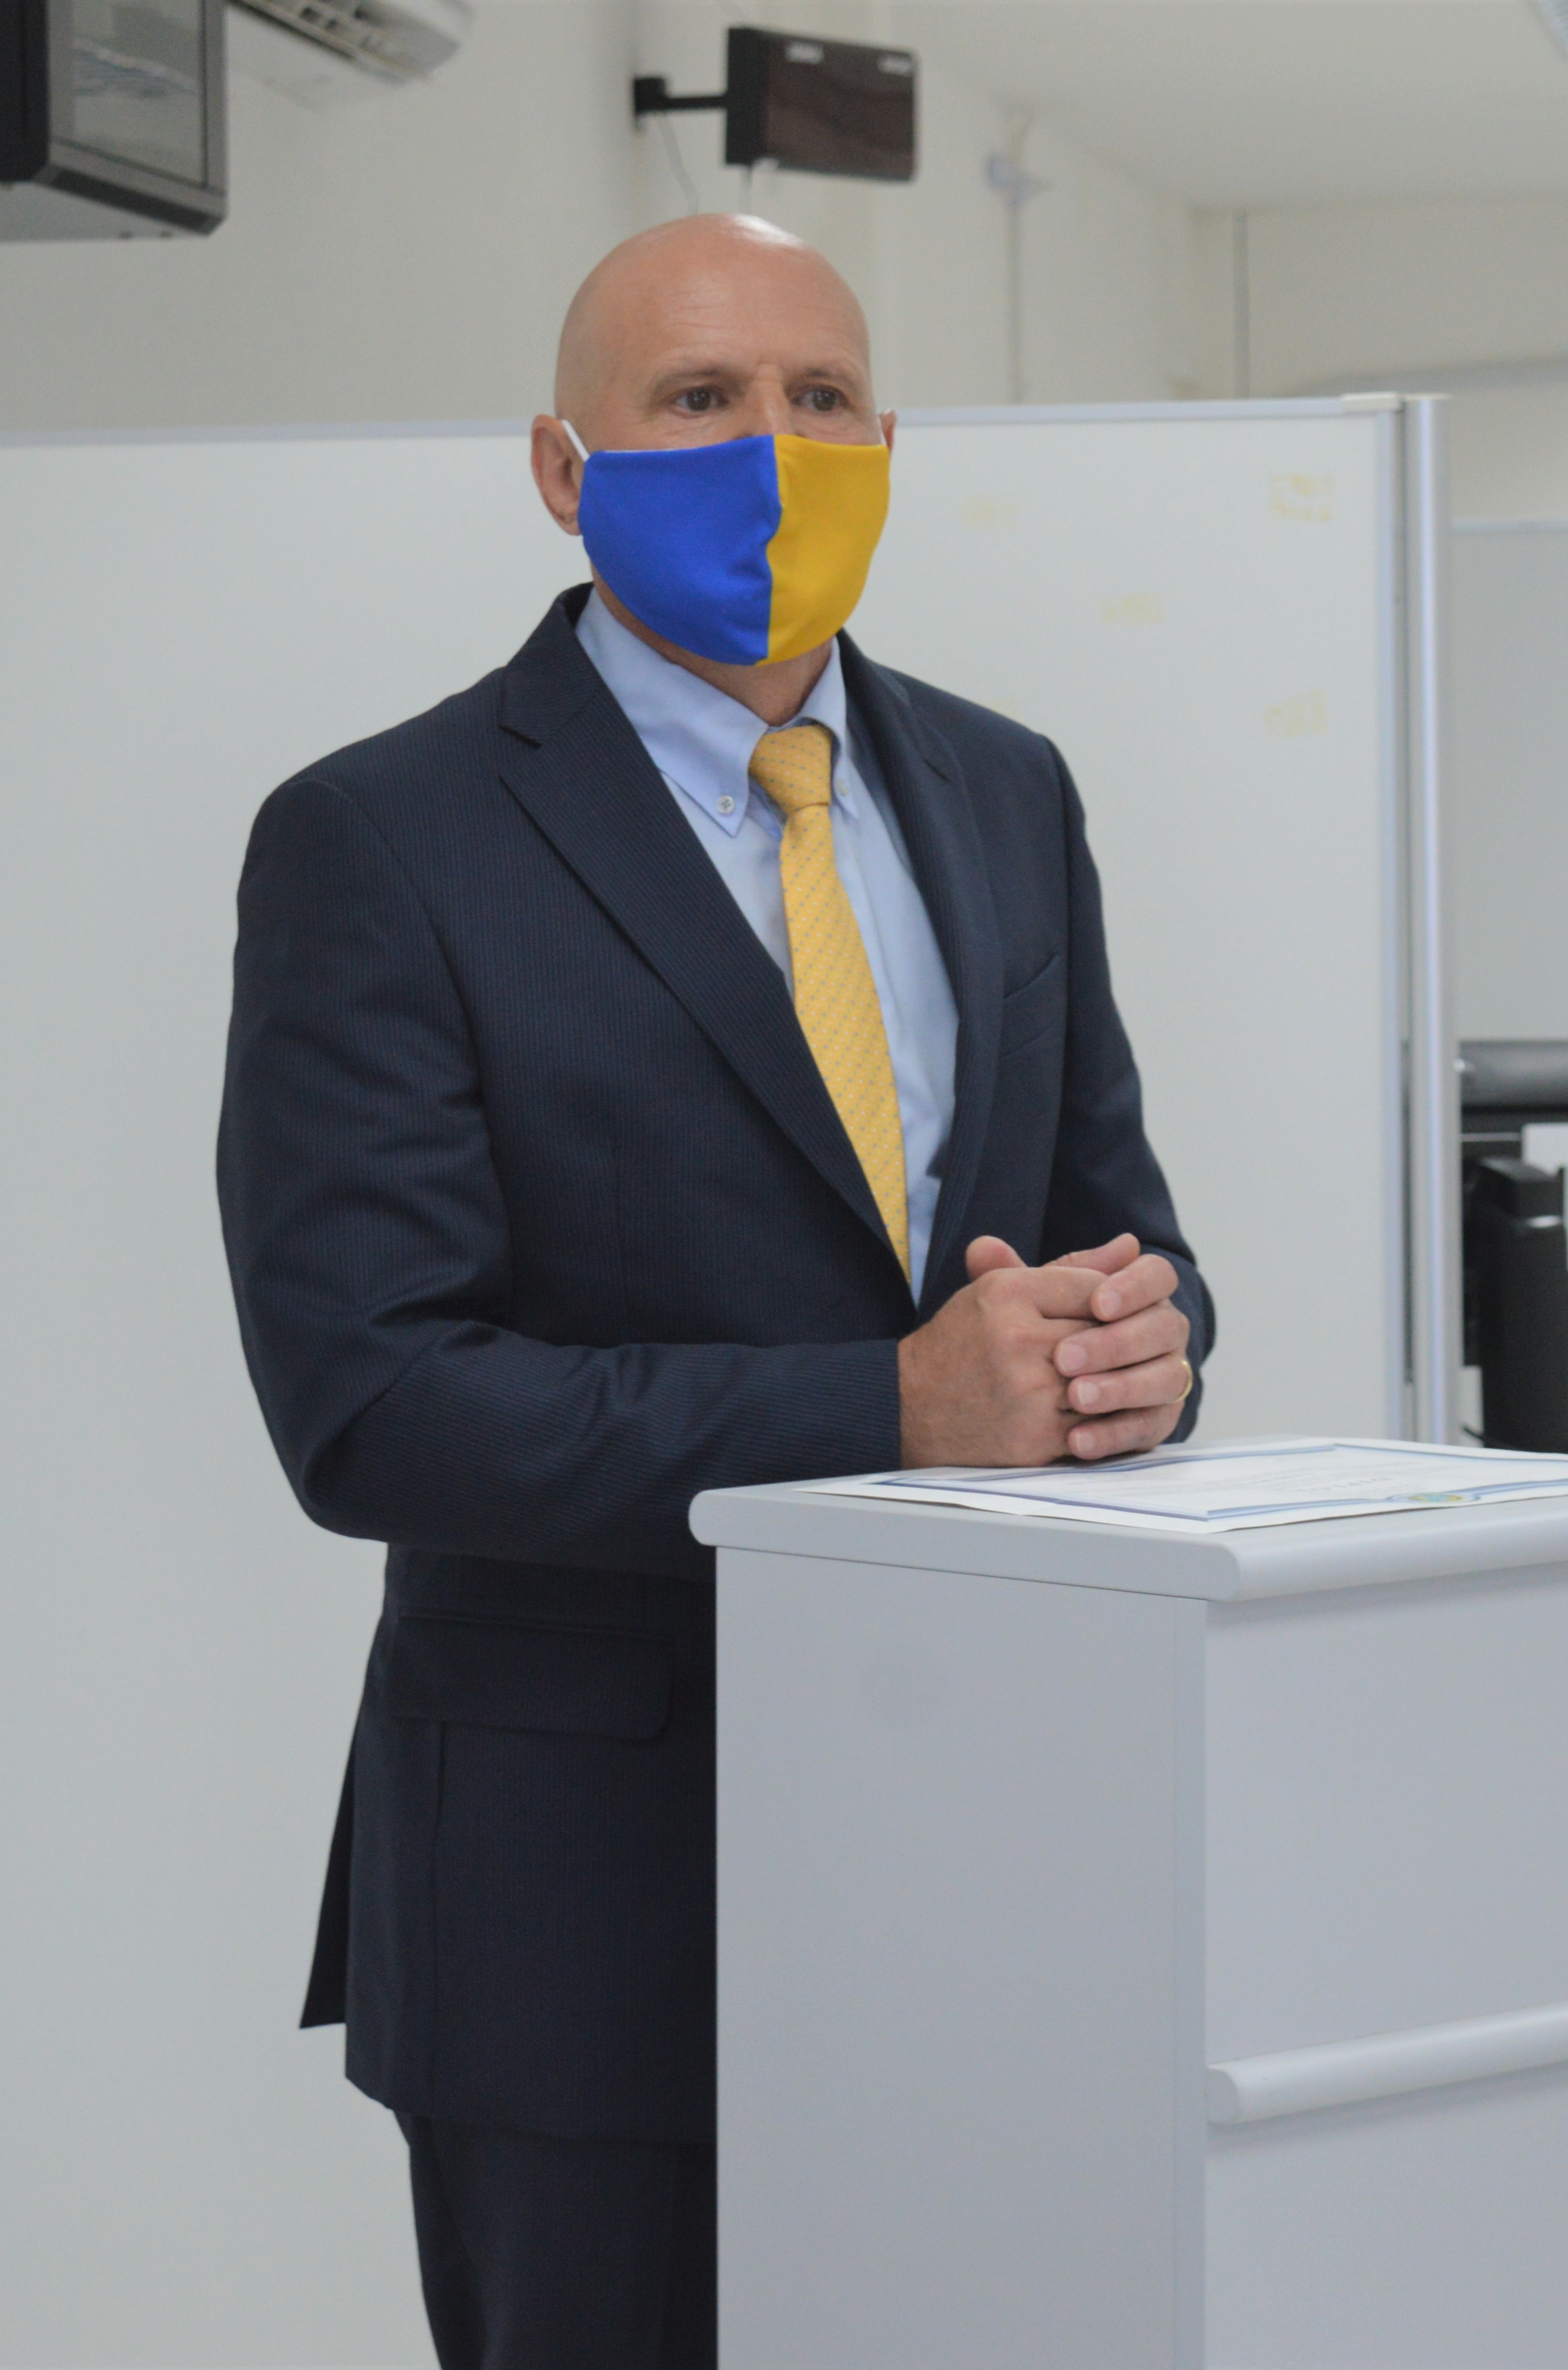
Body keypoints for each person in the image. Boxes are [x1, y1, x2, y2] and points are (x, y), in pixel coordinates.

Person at [216, 213, 1212, 2370]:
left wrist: (1148, 1349)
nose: (773, 448)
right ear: (563, 470)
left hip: (988, 1866)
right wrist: (895, 1409)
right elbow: (373, 1405)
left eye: (820, 399)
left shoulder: (1006, 791)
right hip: (583, 1917)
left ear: (888, 447)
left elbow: (1112, 1227)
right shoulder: (383, 839)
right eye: (700, 400)